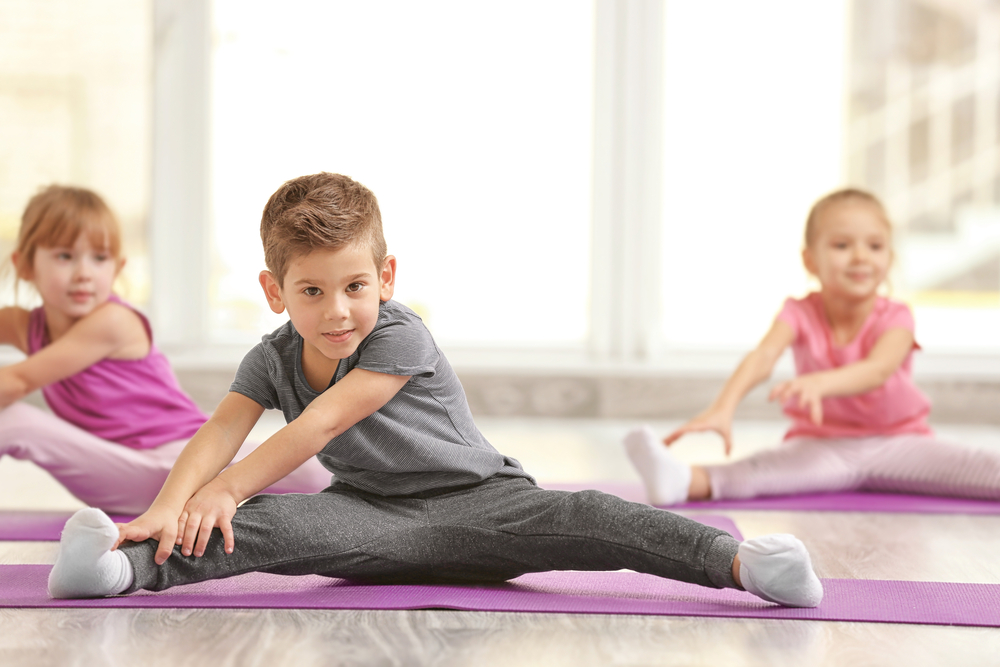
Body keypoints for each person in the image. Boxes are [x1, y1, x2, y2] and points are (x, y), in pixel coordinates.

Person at [46, 173, 823, 608]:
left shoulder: (398, 334)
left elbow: (316, 427)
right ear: (275, 291)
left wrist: (223, 487)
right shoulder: (272, 354)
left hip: (484, 504)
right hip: (370, 518)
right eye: (311, 291)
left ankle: (743, 564)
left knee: (596, 516)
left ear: (386, 276)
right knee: (264, 528)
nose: (338, 309)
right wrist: (169, 507)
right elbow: (219, 429)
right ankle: (121, 569)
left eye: (355, 284)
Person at [624, 188, 1000, 506]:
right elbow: (764, 356)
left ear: (889, 258)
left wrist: (820, 384)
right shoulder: (799, 312)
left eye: (875, 245)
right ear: (810, 259)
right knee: (757, 472)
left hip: (900, 443)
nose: (860, 256)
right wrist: (723, 407)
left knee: (982, 468)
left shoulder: (897, 316)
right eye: (841, 245)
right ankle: (679, 479)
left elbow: (878, 370)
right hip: (824, 446)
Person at [0, 185, 330, 515]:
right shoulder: (23, 324)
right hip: (123, 468)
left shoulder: (112, 321)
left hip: (178, 465)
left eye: (99, 258)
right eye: (64, 256)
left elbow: (16, 383)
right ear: (25, 265)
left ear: (116, 268)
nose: (83, 273)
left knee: (319, 467)